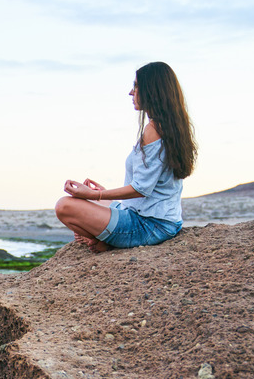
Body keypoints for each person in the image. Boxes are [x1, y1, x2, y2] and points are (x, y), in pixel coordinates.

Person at [55, 61, 197, 252]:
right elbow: (149, 186)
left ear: (152, 90)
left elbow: (142, 188)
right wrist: (101, 195)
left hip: (149, 226)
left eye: (136, 86)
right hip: (160, 219)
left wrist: (95, 195)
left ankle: (101, 241)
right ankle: (101, 237)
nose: (131, 92)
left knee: (64, 206)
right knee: (91, 202)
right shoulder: (171, 127)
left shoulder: (153, 130)